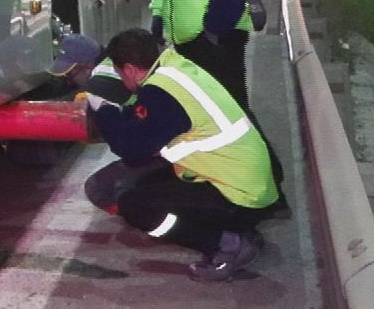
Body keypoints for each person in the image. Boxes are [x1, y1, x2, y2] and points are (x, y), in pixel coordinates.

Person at [84, 28, 282, 282]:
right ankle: (240, 230)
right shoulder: (173, 67)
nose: (122, 80)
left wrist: (104, 109)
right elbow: (143, 123)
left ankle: (228, 245)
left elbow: (130, 149)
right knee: (141, 183)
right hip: (246, 181)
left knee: (134, 204)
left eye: (120, 72)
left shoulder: (161, 93)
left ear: (130, 69)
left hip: (240, 195)